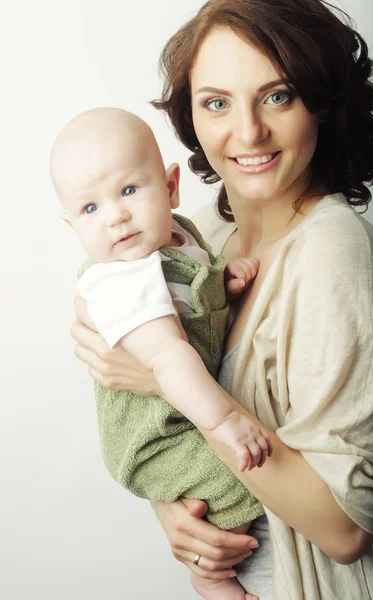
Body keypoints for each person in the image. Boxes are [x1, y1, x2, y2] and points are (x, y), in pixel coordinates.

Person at [71, 0, 373, 598]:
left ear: (322, 103)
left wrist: (158, 380)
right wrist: (176, 512)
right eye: (217, 102)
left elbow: (348, 530)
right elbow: (155, 426)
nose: (248, 132)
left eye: (279, 96)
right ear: (191, 116)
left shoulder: (335, 255)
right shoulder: (198, 235)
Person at [51, 106, 272, 600]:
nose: (117, 216)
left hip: (179, 409)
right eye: (90, 209)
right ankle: (212, 580)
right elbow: (170, 356)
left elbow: (190, 283)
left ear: (170, 186)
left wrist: (221, 284)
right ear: (72, 225)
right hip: (154, 434)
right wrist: (227, 423)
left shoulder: (177, 233)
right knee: (236, 488)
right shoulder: (122, 278)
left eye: (129, 190)